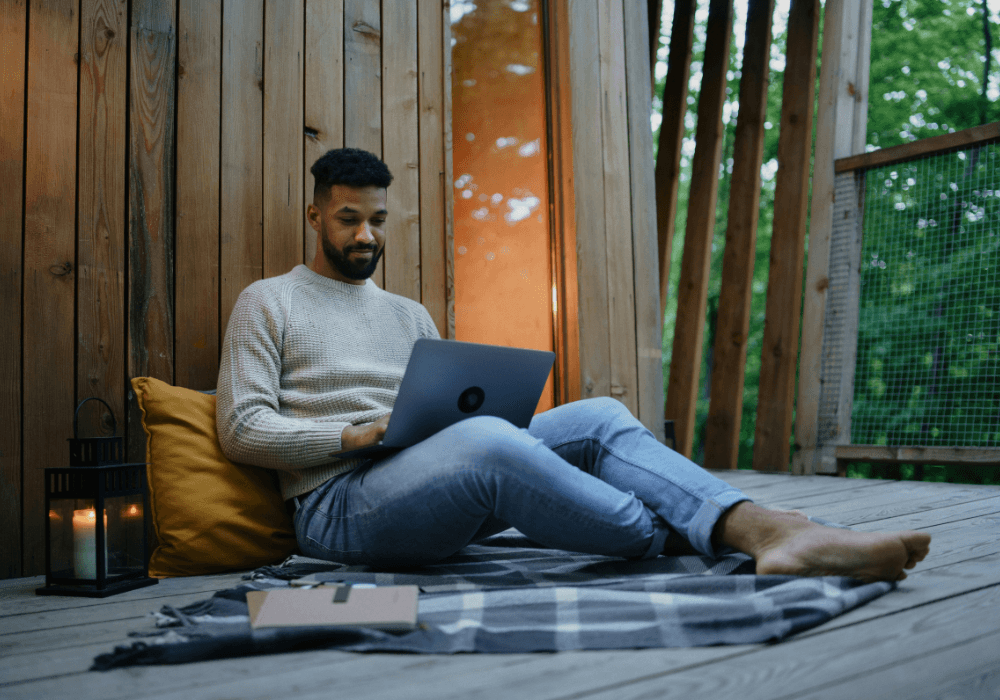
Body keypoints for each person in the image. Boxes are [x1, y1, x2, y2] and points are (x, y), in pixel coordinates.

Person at [217, 147, 930, 582]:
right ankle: (744, 529)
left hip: (426, 480)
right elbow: (241, 429)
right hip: (339, 510)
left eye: (377, 219)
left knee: (597, 415)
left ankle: (758, 527)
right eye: (349, 218)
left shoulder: (408, 314)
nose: (366, 234)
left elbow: (440, 415)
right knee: (488, 441)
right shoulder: (268, 302)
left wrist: (431, 428)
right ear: (315, 217)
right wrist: (353, 436)